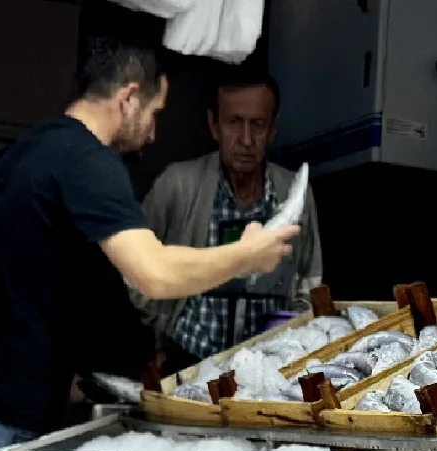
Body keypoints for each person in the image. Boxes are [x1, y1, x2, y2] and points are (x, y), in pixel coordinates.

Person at [0, 36, 300, 451]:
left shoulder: (21, 153)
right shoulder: (87, 159)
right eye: (154, 114)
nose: (154, 133)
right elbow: (154, 273)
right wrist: (248, 254)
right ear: (129, 98)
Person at [138, 73, 322, 365]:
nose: (246, 140)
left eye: (258, 124)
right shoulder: (177, 185)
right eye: (234, 123)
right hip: (189, 358)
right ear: (214, 125)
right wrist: (163, 323)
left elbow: (310, 280)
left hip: (268, 366)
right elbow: (135, 268)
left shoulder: (296, 191)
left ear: (273, 129)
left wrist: (294, 328)